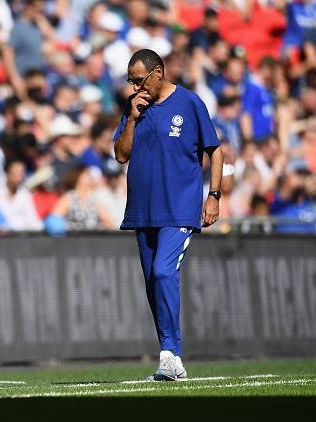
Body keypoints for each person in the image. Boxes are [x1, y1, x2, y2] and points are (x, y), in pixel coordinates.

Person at [114, 49, 223, 381]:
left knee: (163, 272)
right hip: (142, 210)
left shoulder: (189, 103)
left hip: (179, 208)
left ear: (157, 73)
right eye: (130, 81)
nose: (134, 86)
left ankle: (170, 353)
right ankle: (170, 357)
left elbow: (215, 151)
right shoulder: (135, 109)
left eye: (138, 79)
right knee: (152, 282)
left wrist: (214, 195)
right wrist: (131, 118)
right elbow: (120, 155)